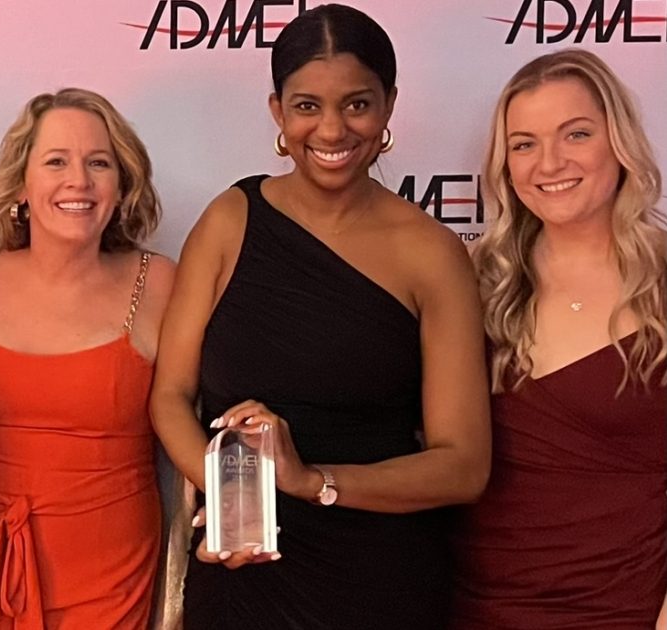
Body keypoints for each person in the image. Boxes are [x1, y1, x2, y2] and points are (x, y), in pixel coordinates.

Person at [149, 4, 491, 628]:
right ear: (278, 111)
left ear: (388, 105)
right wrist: (230, 502)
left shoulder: (434, 254)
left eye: (356, 104)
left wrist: (313, 481)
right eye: (308, 106)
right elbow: (170, 395)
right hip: (238, 570)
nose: (332, 130)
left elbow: (463, 465)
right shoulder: (231, 219)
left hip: (376, 579)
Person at [0, 88, 184, 628]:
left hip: (113, 570)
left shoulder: (161, 284)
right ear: (22, 183)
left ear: (122, 185)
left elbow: (210, 410)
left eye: (99, 163)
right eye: (56, 161)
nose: (79, 182)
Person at [453, 48, 667, 630]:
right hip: (473, 606)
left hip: (624, 609)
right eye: (524, 144)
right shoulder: (470, 279)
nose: (549, 163)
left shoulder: (664, 280)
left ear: (618, 141)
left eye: (575, 134)